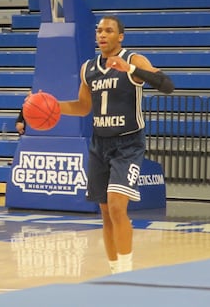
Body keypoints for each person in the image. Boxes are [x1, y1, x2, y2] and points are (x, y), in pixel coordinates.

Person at [55, 15, 174, 274]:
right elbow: (83, 106)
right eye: (99, 30)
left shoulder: (133, 60)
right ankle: (113, 269)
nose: (102, 34)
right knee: (106, 212)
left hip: (128, 144)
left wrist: (130, 70)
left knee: (118, 207)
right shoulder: (89, 67)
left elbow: (167, 85)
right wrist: (53, 105)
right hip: (100, 144)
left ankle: (126, 271)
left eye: (108, 30)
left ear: (120, 36)